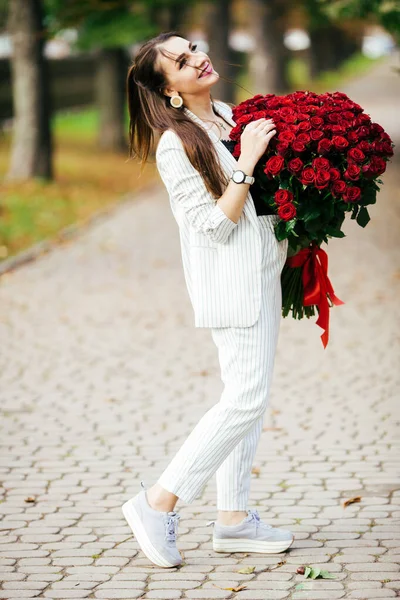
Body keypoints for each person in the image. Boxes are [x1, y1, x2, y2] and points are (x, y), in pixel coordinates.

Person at [122, 30, 294, 568]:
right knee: (243, 399)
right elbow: (214, 226)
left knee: (250, 398)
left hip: (262, 271)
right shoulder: (176, 144)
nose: (198, 58)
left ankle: (234, 520)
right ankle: (158, 501)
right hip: (232, 282)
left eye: (193, 47)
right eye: (181, 60)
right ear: (166, 87)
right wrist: (247, 159)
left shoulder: (225, 112)